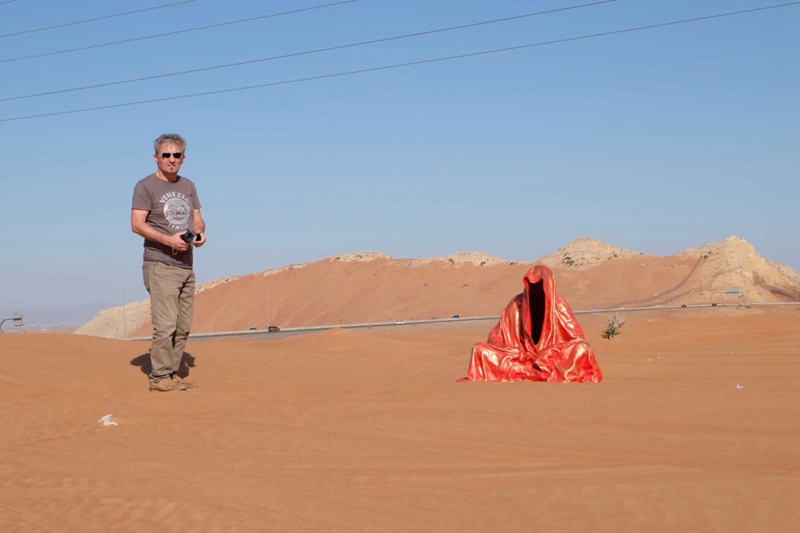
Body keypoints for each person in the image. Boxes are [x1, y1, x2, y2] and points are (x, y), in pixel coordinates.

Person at [131, 133, 206, 392]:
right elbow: (136, 225)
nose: (171, 159)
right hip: (160, 263)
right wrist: (168, 240)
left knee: (183, 326)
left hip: (186, 265)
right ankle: (158, 377)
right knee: (165, 325)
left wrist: (199, 233)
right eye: (166, 155)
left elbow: (197, 218)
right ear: (156, 158)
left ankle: (172, 373)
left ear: (183, 158)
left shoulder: (188, 186)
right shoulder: (146, 186)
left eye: (176, 155)